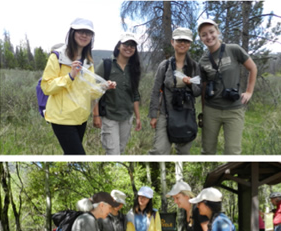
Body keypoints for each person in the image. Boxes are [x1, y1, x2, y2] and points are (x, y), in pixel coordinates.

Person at [41, 18, 115, 154]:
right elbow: (46, 87)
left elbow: (89, 92)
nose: (84, 35)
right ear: (72, 33)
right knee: (78, 155)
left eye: (88, 33)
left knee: (70, 155)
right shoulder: (57, 56)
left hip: (81, 118)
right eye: (80, 31)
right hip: (62, 118)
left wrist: (104, 87)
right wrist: (70, 76)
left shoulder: (88, 61)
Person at [197, 18, 258, 155]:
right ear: (201, 38)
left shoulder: (233, 50)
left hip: (234, 109)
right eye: (204, 34)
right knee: (207, 151)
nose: (209, 36)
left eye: (211, 32)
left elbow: (253, 68)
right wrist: (204, 110)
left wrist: (249, 92)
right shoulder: (203, 61)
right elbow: (204, 86)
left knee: (233, 152)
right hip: (211, 110)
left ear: (217, 32)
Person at [148, 27, 201, 155]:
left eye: (186, 41)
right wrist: (153, 115)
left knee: (184, 152)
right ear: (173, 42)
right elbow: (155, 91)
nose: (182, 43)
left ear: (189, 44)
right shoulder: (164, 65)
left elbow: (198, 92)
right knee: (160, 151)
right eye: (179, 40)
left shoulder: (195, 67)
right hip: (166, 114)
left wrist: (189, 84)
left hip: (186, 114)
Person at [93, 32, 142, 154]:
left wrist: (138, 117)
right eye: (126, 44)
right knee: (113, 153)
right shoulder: (106, 65)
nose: (129, 48)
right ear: (118, 46)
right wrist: (96, 116)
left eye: (132, 45)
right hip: (109, 116)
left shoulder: (134, 68)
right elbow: (93, 90)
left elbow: (135, 94)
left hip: (126, 117)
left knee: (120, 150)